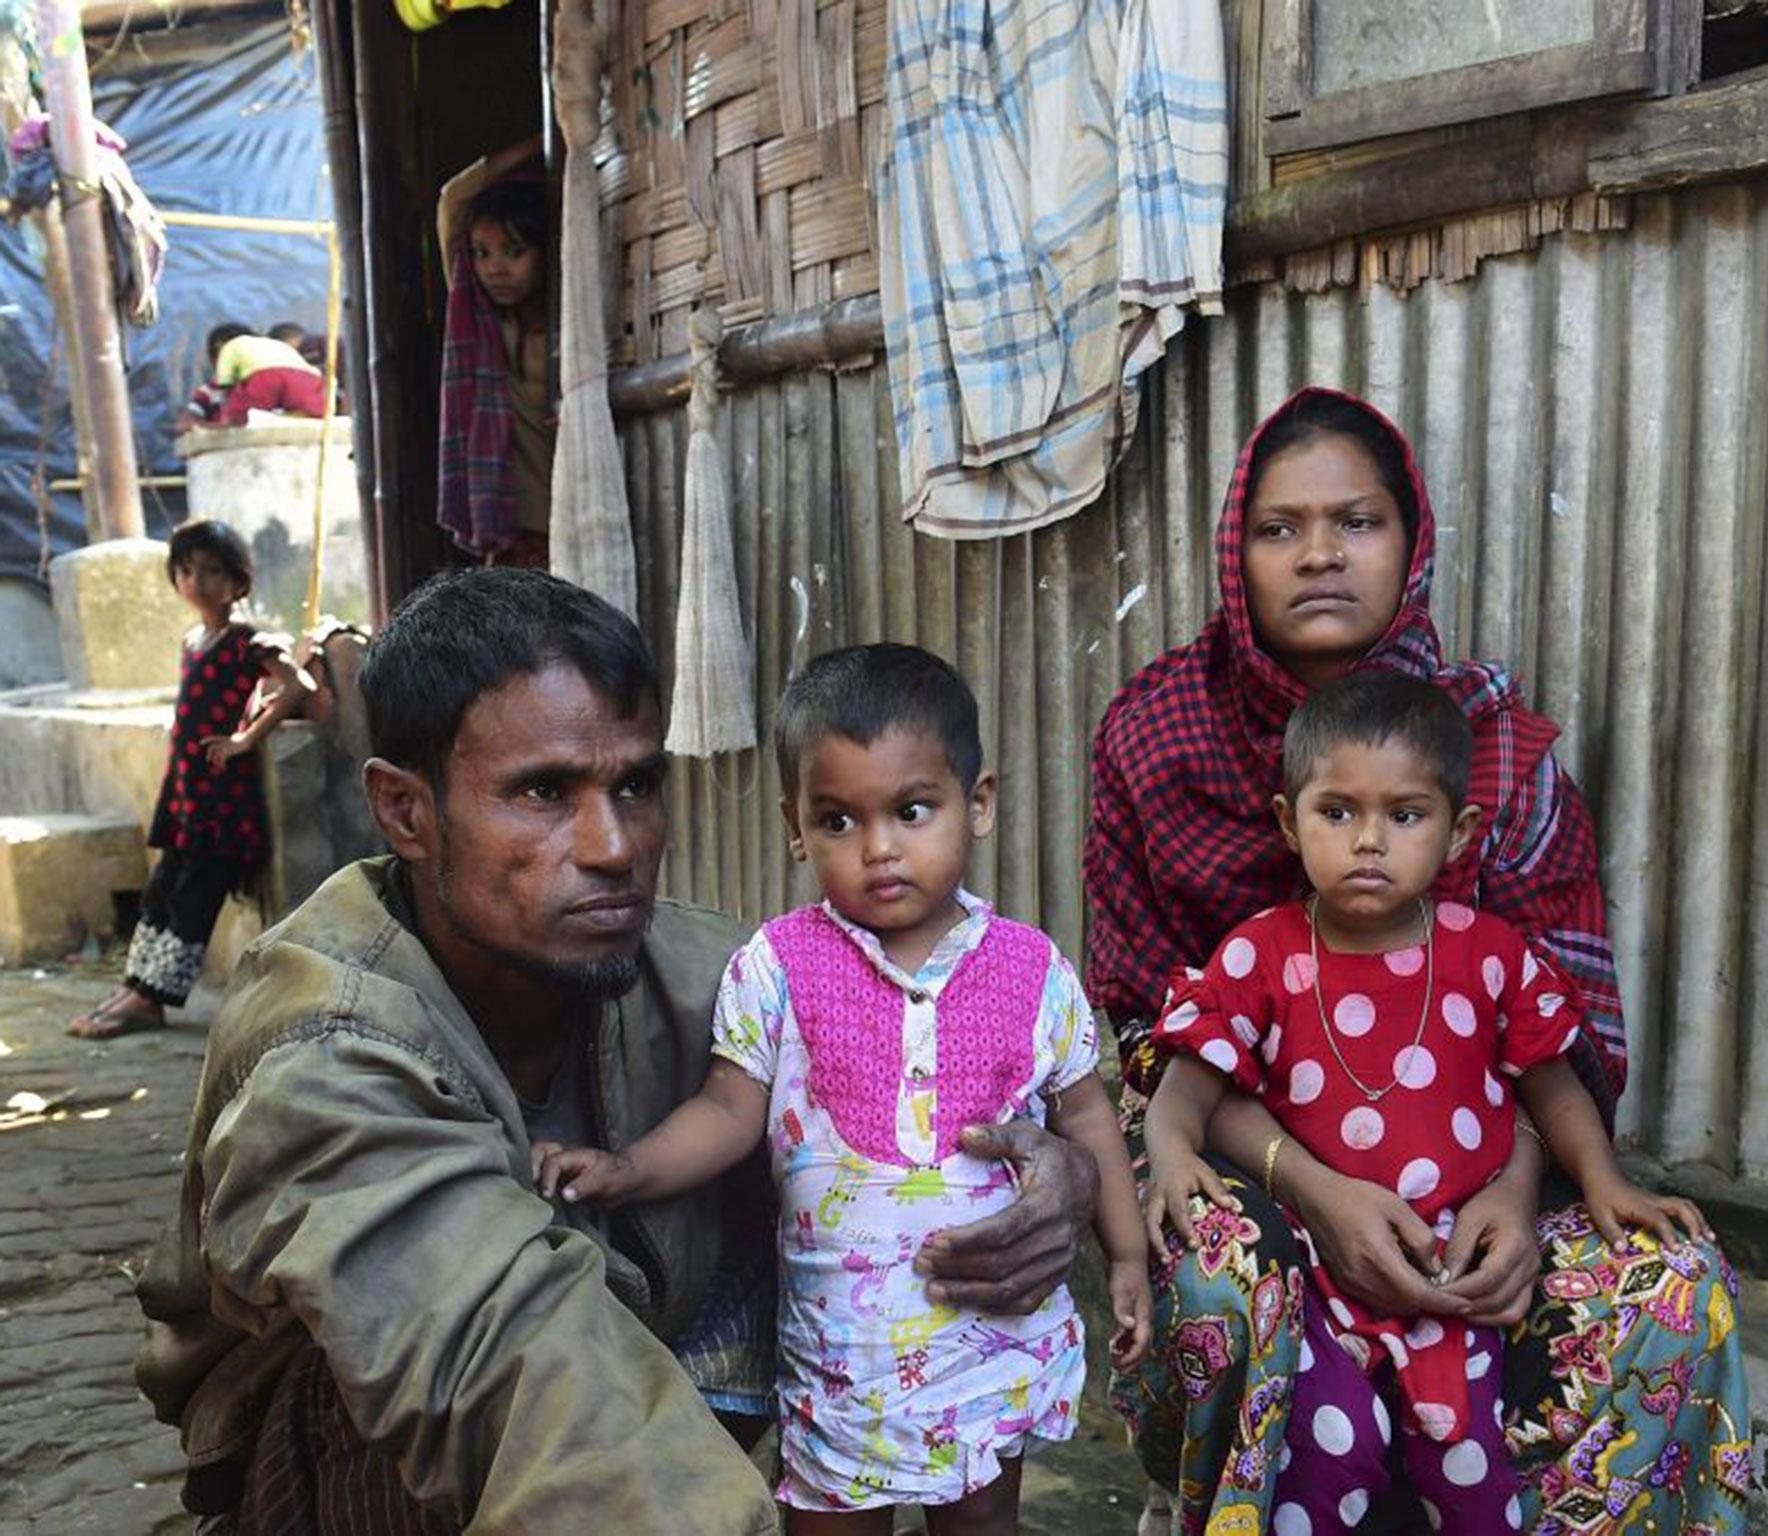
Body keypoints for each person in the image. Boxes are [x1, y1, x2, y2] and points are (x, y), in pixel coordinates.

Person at [133, 570, 1102, 1531]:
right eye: (544, 792)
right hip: (369, 1455)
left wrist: (1060, 1178)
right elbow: (501, 1367)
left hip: (635, 1390)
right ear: (405, 812)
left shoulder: (725, 974)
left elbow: (972, 1115)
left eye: (635, 785)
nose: (611, 845)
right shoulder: (322, 1050)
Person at [1086, 387, 1750, 1532]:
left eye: (1357, 521)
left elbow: (1561, 1043)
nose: (1319, 556)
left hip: (1486, 1181)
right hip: (1253, 1170)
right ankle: (1220, 1502)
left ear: (1411, 541)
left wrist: (1510, 1188)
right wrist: (1314, 1187)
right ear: (1233, 553)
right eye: (1278, 528)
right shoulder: (1155, 737)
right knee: (1207, 1278)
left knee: (1676, 1290)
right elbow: (1155, 1038)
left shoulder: (1494, 752)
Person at [533, 642, 1151, 1535]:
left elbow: (1085, 1113)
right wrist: (629, 1169)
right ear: (796, 825)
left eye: (910, 810)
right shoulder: (778, 964)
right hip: (839, 1354)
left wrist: (1126, 1256)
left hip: (988, 1340)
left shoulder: (1030, 969)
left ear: (976, 805)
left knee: (983, 1521)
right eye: (838, 822)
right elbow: (727, 1107)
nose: (879, 849)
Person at [1143, 672, 1714, 1531]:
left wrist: (1602, 1181)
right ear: (1286, 822)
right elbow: (1187, 1083)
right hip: (1325, 1290)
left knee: (1475, 1489)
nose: (1368, 841)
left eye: (1405, 816)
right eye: (1336, 813)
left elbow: (1551, 1084)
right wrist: (1174, 1152)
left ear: (1460, 834)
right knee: (1328, 1470)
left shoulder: (1491, 956)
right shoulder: (1258, 956)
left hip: (1450, 1286)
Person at [68, 521, 308, 1039]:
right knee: (162, 891)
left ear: (238, 581)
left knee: (194, 897)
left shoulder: (249, 641)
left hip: (222, 800)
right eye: (184, 570)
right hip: (186, 796)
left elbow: (296, 684)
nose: (195, 580)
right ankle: (135, 986)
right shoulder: (194, 641)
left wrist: (246, 738)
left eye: (211, 570)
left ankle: (152, 1001)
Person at [436, 137, 553, 566]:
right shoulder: (482, 323)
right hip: (507, 535)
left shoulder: (568, 330)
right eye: (482, 253)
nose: (494, 268)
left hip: (566, 526)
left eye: (514, 251)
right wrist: (544, 139)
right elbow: (454, 200)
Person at [173, 321, 251, 435]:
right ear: (213, 361)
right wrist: (227, 430)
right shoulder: (210, 392)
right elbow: (183, 425)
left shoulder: (263, 387)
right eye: (225, 359)